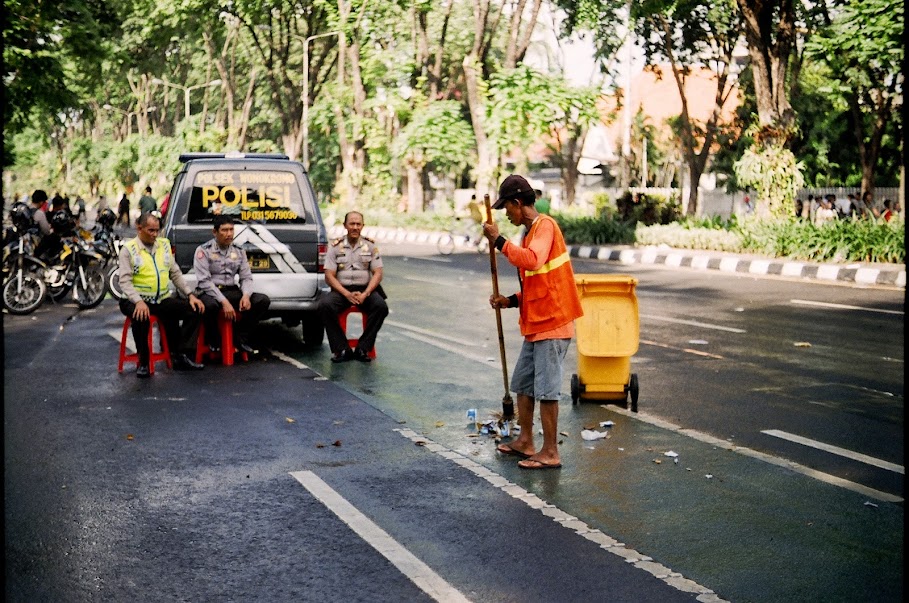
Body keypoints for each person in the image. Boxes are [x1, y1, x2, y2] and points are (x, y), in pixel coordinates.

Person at [483, 174, 584, 470]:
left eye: (507, 209)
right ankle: (526, 441)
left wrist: (498, 240)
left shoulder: (545, 227)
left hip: (553, 323)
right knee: (524, 384)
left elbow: (532, 261)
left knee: (547, 390)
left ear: (518, 203)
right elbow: (535, 283)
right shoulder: (530, 233)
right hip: (536, 323)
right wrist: (509, 301)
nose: (506, 215)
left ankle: (550, 451)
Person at [118, 211, 206, 378]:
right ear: (139, 228)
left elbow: (175, 273)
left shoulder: (164, 245)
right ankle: (143, 362)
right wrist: (138, 301)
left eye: (157, 230)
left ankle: (182, 355)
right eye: (150, 230)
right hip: (133, 300)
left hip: (161, 299)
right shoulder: (128, 250)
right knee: (141, 317)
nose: (155, 234)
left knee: (194, 310)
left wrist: (190, 294)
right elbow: (124, 282)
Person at [193, 215, 271, 355]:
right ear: (215, 232)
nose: (229, 234)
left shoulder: (239, 250)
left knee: (262, 300)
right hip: (210, 292)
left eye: (231, 230)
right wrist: (223, 301)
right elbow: (204, 281)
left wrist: (246, 295)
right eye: (224, 230)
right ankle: (213, 339)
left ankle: (240, 338)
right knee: (210, 306)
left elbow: (246, 277)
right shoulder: (203, 250)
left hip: (231, 290)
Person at [319, 211, 388, 363]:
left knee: (381, 307)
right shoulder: (335, 247)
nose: (355, 227)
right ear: (345, 226)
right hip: (342, 291)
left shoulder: (370, 246)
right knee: (325, 306)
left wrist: (366, 293)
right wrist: (346, 294)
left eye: (358, 224)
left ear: (363, 226)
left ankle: (363, 348)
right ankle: (341, 349)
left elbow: (378, 273)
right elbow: (329, 275)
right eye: (352, 224)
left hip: (365, 290)